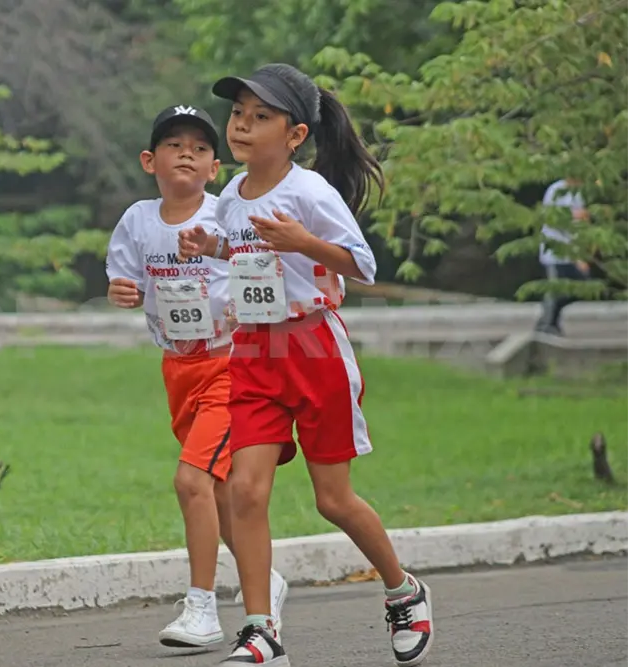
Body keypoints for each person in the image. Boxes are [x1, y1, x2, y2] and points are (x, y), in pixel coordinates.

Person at [177, 64, 435, 667]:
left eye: (260, 116)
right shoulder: (233, 195)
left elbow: (361, 264)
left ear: (294, 135)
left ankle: (404, 590)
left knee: (333, 500)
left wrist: (303, 242)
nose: (242, 125)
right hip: (254, 352)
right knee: (244, 490)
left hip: (314, 348)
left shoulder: (310, 192)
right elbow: (244, 253)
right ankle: (262, 630)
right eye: (239, 114)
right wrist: (209, 246)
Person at [105, 105, 289, 650]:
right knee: (223, 495)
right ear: (149, 160)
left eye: (201, 147)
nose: (187, 152)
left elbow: (262, 271)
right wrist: (124, 292)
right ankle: (266, 580)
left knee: (191, 481)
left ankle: (202, 607)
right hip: (178, 369)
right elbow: (125, 278)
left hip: (232, 365)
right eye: (173, 144)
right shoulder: (137, 220)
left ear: (214, 167)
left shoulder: (226, 214)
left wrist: (249, 310)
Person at [534, 178, 591, 336]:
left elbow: (581, 224)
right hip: (555, 250)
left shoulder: (578, 193)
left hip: (573, 251)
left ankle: (548, 319)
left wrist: (581, 254)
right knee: (556, 289)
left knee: (581, 284)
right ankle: (547, 324)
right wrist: (573, 217)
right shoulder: (556, 190)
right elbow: (552, 219)